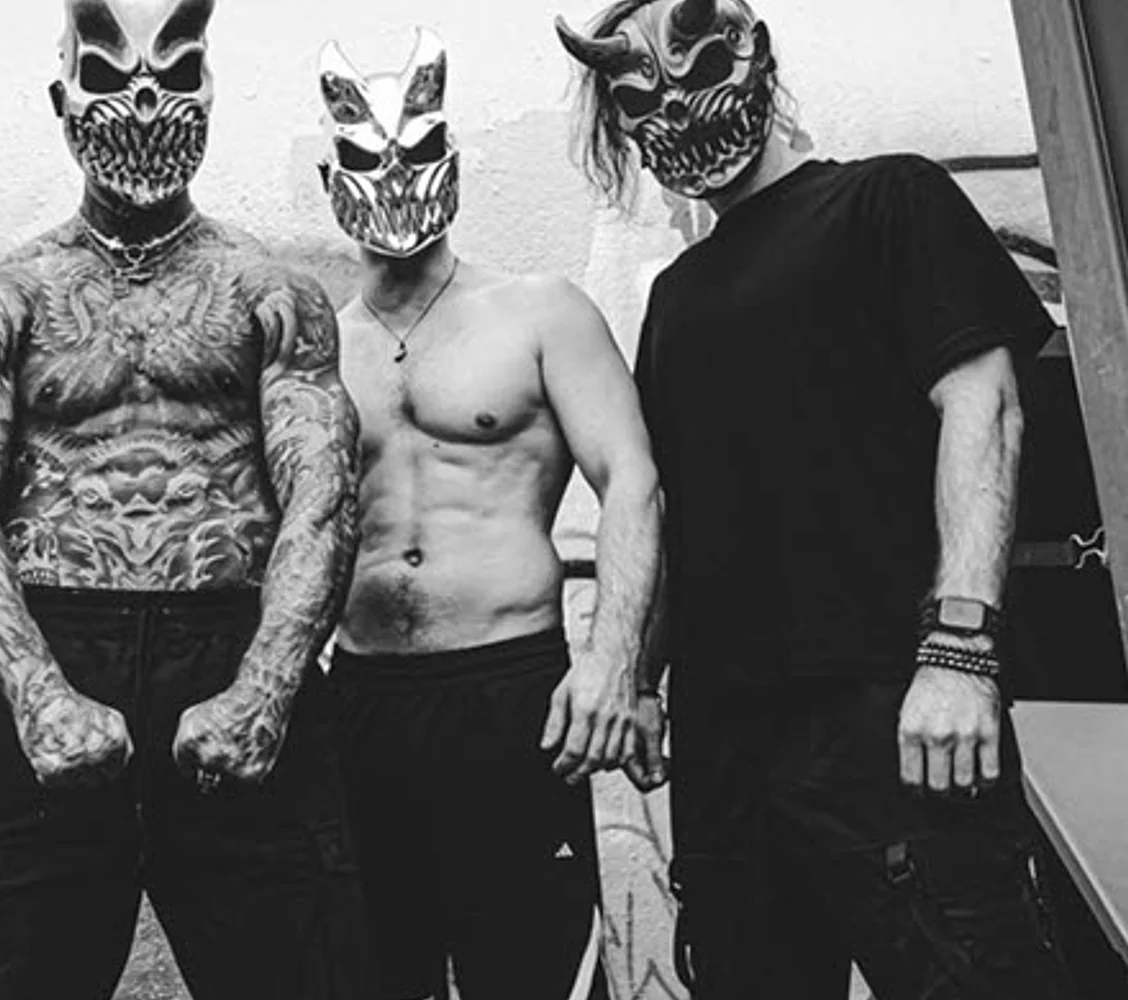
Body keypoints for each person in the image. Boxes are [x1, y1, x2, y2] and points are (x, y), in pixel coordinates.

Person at [557, 1, 1084, 996]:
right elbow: (676, 511)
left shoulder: (889, 199)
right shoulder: (675, 296)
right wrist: (639, 679)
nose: (672, 105)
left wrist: (959, 651)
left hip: (893, 715)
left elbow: (985, 407)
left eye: (694, 64)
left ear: (750, 51)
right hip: (727, 756)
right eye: (636, 92)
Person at [0, 1, 368, 996]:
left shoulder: (271, 293)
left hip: (233, 637)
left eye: (177, 73)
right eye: (111, 76)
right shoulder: (3, 299)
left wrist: (266, 687)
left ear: (209, 92)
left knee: (303, 969)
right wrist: (33, 692)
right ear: (62, 101)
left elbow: (324, 496)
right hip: (49, 637)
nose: (146, 100)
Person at [317, 27, 662, 1000]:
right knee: (377, 977)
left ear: (454, 166)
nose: (392, 176)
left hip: (508, 692)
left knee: (532, 975)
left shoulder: (539, 312)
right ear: (333, 180)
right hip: (360, 699)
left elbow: (632, 480)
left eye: (418, 152)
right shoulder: (314, 348)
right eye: (365, 160)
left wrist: (613, 662)